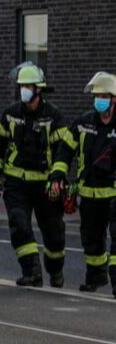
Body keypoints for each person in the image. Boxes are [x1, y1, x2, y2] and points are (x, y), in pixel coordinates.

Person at [0, 64, 68, 287]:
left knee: (54, 233)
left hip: (46, 184)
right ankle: (32, 272)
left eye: (27, 86)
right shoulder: (10, 114)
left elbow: (64, 150)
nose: (23, 89)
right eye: (21, 86)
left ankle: (55, 271)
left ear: (38, 89)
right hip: (17, 182)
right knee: (19, 223)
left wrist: (58, 178)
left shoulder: (54, 117)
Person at [52, 72, 116, 296]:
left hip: (114, 194)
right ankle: (95, 276)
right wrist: (58, 175)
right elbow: (64, 151)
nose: (99, 99)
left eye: (104, 96)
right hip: (88, 193)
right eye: (97, 95)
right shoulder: (83, 123)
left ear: (114, 99)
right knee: (91, 240)